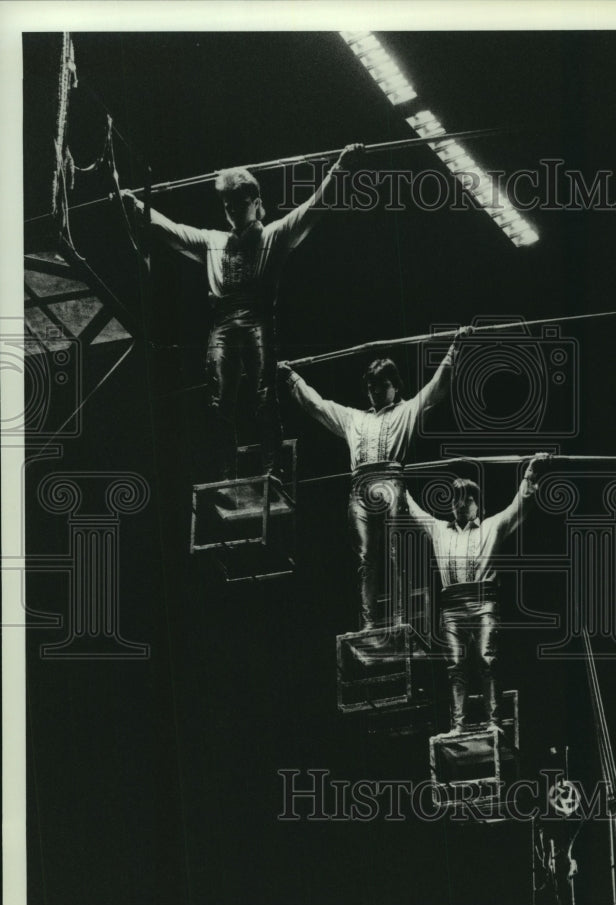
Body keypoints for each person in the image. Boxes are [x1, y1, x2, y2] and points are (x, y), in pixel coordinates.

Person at [122, 143, 364, 482]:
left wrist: (340, 167)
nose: (233, 210)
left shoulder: (275, 234)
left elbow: (315, 206)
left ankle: (271, 467)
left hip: (256, 318)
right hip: (222, 322)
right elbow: (171, 230)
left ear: (256, 204)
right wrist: (136, 206)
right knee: (217, 400)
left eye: (239, 203)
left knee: (264, 394)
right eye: (227, 205)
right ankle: (224, 472)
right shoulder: (212, 241)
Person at [278, 332, 469, 630]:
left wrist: (455, 349)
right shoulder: (354, 418)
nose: (376, 391)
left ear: (395, 387)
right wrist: (291, 377)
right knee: (365, 558)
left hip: (391, 484)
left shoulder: (406, 411)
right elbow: (317, 405)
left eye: (382, 385)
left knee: (396, 554)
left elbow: (436, 389)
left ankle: (400, 619)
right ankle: (368, 623)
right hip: (360, 488)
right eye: (371, 386)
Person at [405, 454, 549, 734]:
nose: (459, 506)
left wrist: (531, 473)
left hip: (483, 603)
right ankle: (458, 725)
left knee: (487, 659)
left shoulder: (491, 526)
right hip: (452, 608)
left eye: (465, 500)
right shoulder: (439, 530)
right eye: (455, 501)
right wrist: (396, 479)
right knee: (455, 666)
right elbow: (412, 509)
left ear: (475, 504)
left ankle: (493, 722)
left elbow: (520, 505)